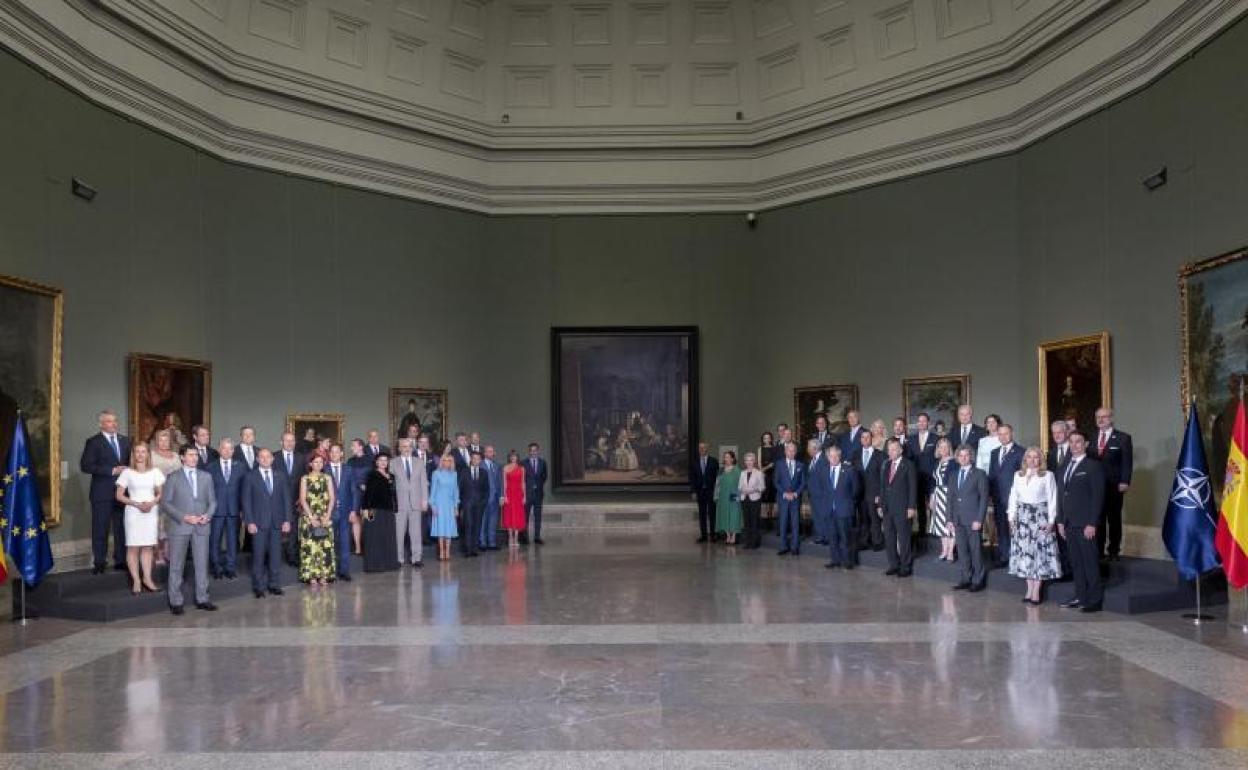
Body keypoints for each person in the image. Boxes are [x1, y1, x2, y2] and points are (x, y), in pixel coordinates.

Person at [161, 445, 217, 614]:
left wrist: (208, 515)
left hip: (202, 525)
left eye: (196, 455)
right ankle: (176, 601)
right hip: (180, 526)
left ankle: (203, 598)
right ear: (182, 457)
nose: (194, 458)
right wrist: (184, 517)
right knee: (177, 565)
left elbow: (213, 501)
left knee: (202, 564)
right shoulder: (173, 477)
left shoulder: (206, 477)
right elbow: (165, 503)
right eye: (191, 455)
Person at [1058, 431, 1105, 612]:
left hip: (1085, 524)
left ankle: (1094, 600)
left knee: (1090, 562)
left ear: (1085, 444)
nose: (1075, 445)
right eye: (1072, 442)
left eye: (1079, 442)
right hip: (1068, 523)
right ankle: (1080, 596)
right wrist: (1060, 521)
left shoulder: (1093, 466)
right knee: (1076, 563)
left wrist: (1092, 523)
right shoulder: (1064, 466)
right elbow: (1061, 496)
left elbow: (1097, 497)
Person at [80, 409, 132, 574]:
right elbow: (86, 466)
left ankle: (121, 560)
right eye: (109, 421)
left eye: (115, 420)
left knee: (121, 528)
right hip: (101, 493)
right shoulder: (93, 442)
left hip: (123, 493)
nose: (114, 424)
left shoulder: (126, 441)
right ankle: (100, 562)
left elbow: (132, 462)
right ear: (101, 424)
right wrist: (111, 470)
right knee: (100, 529)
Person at [1008, 446, 1061, 604]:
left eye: (1035, 457)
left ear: (1040, 459)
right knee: (1025, 554)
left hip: (1040, 517)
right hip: (1022, 518)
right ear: (1025, 459)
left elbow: (1053, 498)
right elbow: (1013, 496)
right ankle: (1029, 589)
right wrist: (1011, 517)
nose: (1032, 460)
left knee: (1038, 555)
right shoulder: (1018, 475)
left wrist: (1051, 520)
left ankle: (1036, 591)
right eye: (1029, 457)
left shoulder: (1047, 475)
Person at [114, 443, 164, 594]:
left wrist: (151, 503)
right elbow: (119, 495)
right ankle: (136, 580)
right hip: (133, 513)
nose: (141, 454)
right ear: (133, 454)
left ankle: (147, 579)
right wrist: (136, 503)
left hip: (150, 511)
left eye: (144, 452)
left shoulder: (155, 472)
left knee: (148, 546)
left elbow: (160, 494)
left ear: (148, 454)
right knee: (133, 547)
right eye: (138, 452)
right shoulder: (127, 473)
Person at [244, 449, 291, 598]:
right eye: (262, 457)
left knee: (276, 555)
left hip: (277, 522)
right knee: (258, 556)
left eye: (268, 457)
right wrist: (249, 521)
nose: (265, 459)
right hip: (258, 523)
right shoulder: (250, 477)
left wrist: (287, 520)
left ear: (272, 459)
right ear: (257, 459)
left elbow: (286, 499)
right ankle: (258, 587)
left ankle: (274, 585)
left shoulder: (280, 476)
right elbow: (246, 501)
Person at [1089, 407, 1133, 561]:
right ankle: (1099, 551)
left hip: (1114, 486)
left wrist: (1125, 481)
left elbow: (1127, 463)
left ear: (1111, 418)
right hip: (1096, 487)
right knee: (1098, 518)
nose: (1101, 420)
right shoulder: (1091, 438)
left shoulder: (1123, 438)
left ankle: (1114, 550)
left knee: (1114, 519)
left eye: (1104, 417)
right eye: (1098, 417)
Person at [947, 444, 990, 592]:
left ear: (971, 457)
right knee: (962, 551)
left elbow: (984, 498)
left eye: (966, 455)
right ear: (957, 458)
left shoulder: (979, 474)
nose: (964, 458)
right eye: (961, 455)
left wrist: (979, 519)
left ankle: (978, 580)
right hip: (957, 519)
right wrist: (949, 519)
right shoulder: (953, 475)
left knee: (975, 550)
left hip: (973, 520)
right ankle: (966, 578)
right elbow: (950, 499)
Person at [205, 438, 245, 580]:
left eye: (230, 448)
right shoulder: (210, 467)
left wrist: (243, 509)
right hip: (216, 510)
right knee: (214, 540)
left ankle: (230, 567)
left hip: (234, 510)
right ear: (219, 449)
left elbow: (243, 490)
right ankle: (216, 567)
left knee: (232, 541)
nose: (227, 451)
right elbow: (207, 491)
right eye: (224, 448)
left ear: (233, 451)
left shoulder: (240, 466)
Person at [988, 423, 1024, 568]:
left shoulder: (1021, 452)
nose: (1003, 436)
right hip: (997, 497)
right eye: (1000, 434)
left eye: (1006, 433)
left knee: (1015, 529)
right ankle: (1005, 556)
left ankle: (1018, 557)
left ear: (1012, 434)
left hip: (1014, 498)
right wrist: (990, 494)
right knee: (1001, 527)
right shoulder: (994, 452)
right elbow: (992, 475)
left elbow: (1023, 477)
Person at [879, 438, 917, 577]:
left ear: (901, 450)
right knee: (889, 537)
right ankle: (893, 564)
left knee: (904, 538)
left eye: (895, 449)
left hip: (903, 508)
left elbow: (913, 487)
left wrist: (911, 507)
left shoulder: (908, 465)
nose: (892, 452)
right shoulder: (886, 465)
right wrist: (881, 505)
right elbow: (882, 487)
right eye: (889, 449)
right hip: (887, 508)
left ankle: (905, 566)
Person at [298, 454, 337, 587]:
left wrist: (327, 515)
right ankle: (311, 576)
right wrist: (311, 517)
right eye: (316, 462)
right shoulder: (305, 478)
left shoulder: (327, 478)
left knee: (324, 547)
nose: (319, 464)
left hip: (325, 516)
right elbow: (302, 499)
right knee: (310, 548)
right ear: (310, 464)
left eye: (321, 462)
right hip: (309, 516)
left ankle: (324, 575)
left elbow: (332, 498)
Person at [821, 445, 859, 570]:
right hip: (829, 510)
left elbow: (856, 490)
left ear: (840, 456)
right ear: (827, 457)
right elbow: (823, 490)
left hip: (844, 509)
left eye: (836, 455)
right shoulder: (824, 470)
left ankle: (848, 561)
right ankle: (835, 560)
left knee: (845, 537)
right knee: (832, 537)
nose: (834, 458)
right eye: (831, 456)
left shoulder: (849, 470)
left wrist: (847, 501)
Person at [360, 453, 399, 572]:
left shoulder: (391, 476)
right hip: (373, 510)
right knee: (373, 537)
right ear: (376, 462)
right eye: (380, 460)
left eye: (385, 460)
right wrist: (365, 509)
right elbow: (368, 494)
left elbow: (393, 493)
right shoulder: (372, 474)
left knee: (387, 537)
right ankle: (374, 565)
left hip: (388, 511)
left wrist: (395, 507)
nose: (383, 462)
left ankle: (389, 564)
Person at [393, 438, 429, 568]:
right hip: (399, 503)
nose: (406, 449)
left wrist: (425, 500)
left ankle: (416, 558)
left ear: (412, 448)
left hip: (416, 502)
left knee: (416, 532)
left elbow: (424, 483)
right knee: (399, 532)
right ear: (399, 448)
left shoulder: (419, 462)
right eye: (403, 446)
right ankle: (399, 559)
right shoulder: (393, 463)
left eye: (409, 446)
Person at [148, 428, 181, 565]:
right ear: (156, 442)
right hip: (156, 495)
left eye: (166, 440)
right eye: (161, 440)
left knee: (171, 526)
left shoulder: (176, 455)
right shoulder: (151, 455)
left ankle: (168, 553)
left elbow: (181, 475)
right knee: (158, 526)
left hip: (174, 496)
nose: (164, 442)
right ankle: (158, 554)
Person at [326, 443, 357, 581]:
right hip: (329, 512)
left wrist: (353, 510)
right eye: (331, 452)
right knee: (329, 542)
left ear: (342, 454)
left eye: (337, 452)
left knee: (345, 542)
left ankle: (344, 571)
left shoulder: (349, 469)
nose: (334, 454)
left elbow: (354, 491)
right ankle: (330, 571)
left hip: (346, 512)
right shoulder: (324, 469)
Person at [907, 413, 939, 546]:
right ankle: (921, 531)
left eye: (924, 421)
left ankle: (934, 530)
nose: (921, 423)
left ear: (928, 423)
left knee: (933, 504)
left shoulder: (936, 438)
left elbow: (938, 457)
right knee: (920, 505)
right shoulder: (911, 439)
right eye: (919, 421)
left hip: (931, 476)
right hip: (917, 477)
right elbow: (908, 458)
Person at [275, 431, 306, 566]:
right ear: (281, 442)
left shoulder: (301, 458)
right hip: (276, 501)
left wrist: (301, 497)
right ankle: (273, 557)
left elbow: (304, 478)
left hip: (295, 500)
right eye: (287, 440)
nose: (289, 443)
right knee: (275, 530)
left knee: (293, 530)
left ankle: (292, 556)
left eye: (292, 440)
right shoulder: (273, 457)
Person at [852, 428, 884, 552]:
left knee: (875, 519)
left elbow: (883, 477)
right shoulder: (855, 455)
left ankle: (877, 542)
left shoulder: (880, 455)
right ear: (860, 440)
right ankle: (864, 541)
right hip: (860, 493)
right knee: (863, 518)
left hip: (874, 493)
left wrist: (880, 494)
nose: (865, 439)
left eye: (867, 437)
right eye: (863, 437)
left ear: (872, 439)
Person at [774, 441, 805, 556]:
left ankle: (795, 546)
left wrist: (796, 493)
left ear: (796, 452)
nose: (791, 453)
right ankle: (783, 546)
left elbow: (803, 483)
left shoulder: (800, 465)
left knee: (795, 523)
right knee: (783, 522)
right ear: (785, 451)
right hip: (783, 498)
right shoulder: (779, 464)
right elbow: (776, 482)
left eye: (793, 451)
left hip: (795, 499)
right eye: (789, 450)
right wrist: (785, 493)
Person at [928, 438, 956, 561]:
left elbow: (956, 482)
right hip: (938, 495)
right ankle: (944, 550)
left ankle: (951, 551)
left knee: (951, 524)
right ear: (938, 449)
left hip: (950, 495)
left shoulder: (954, 462)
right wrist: (932, 496)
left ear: (949, 448)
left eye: (945, 447)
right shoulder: (936, 462)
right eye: (941, 447)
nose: (943, 449)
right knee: (940, 524)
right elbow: (933, 482)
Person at [458, 450, 489, 558]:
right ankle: (467, 549)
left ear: (480, 460)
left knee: (477, 526)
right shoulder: (463, 471)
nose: (476, 460)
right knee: (468, 525)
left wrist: (484, 502)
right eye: (474, 458)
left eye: (478, 459)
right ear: (471, 459)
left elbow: (486, 490)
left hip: (479, 505)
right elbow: (459, 488)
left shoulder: (484, 472)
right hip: (467, 504)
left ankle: (474, 549)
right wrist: (461, 504)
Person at [430, 454, 460, 561]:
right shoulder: (436, 474)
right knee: (440, 528)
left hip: (450, 504)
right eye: (445, 460)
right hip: (439, 504)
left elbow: (456, 491)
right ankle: (441, 551)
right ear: (441, 462)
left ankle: (448, 550)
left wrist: (456, 506)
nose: (447, 462)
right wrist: (432, 505)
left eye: (449, 460)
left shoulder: (454, 474)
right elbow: (432, 491)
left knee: (449, 528)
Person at [690, 442, 720, 543]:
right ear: (698, 449)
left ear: (707, 449)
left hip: (711, 491)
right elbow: (692, 478)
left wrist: (717, 491)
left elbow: (717, 478)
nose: (702, 449)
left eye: (704, 448)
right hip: (699, 492)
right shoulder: (694, 462)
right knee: (702, 514)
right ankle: (703, 536)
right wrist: (693, 491)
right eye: (700, 448)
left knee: (712, 514)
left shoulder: (714, 461)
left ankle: (713, 535)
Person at [345, 439, 370, 555]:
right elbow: (347, 478)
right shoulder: (350, 461)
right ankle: (358, 548)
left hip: (368, 494)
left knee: (369, 520)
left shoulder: (371, 459)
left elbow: (375, 476)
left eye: (353, 445)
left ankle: (369, 547)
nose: (351, 448)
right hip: (354, 494)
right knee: (355, 520)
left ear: (361, 447)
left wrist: (367, 486)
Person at [738, 452, 766, 550]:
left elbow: (762, 487)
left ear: (754, 461)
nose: (749, 462)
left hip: (755, 499)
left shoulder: (759, 473)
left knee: (754, 521)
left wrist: (753, 489)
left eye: (751, 460)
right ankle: (747, 542)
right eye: (747, 460)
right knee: (747, 522)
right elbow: (739, 486)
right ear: (745, 462)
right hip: (744, 499)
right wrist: (743, 490)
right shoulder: (742, 473)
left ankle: (755, 542)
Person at [805, 438, 829, 545]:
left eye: (808, 447)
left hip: (822, 495)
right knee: (816, 516)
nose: (807, 450)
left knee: (823, 516)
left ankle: (826, 537)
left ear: (815, 448)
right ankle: (820, 536)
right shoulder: (812, 460)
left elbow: (826, 478)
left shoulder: (824, 460)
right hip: (813, 495)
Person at [714, 451, 742, 544]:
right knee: (724, 515)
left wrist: (739, 497)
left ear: (733, 459)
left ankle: (734, 535)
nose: (726, 459)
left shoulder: (737, 470)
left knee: (734, 515)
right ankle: (727, 535)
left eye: (728, 457)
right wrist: (716, 496)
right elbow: (717, 484)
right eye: (725, 457)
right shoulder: (721, 470)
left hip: (734, 495)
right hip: (723, 496)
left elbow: (740, 485)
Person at [501, 450, 526, 548]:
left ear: (517, 457)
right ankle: (510, 538)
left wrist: (524, 496)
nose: (513, 458)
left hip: (518, 494)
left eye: (515, 456)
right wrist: (505, 496)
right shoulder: (505, 468)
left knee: (518, 515)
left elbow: (523, 482)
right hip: (509, 494)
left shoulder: (522, 468)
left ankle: (516, 538)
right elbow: (504, 483)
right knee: (509, 515)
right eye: (511, 456)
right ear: (509, 458)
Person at [523, 443, 547, 545]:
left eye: (535, 450)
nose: (533, 452)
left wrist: (538, 485)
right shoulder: (523, 463)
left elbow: (544, 476)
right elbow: (522, 479)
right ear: (529, 451)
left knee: (538, 516)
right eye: (531, 450)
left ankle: (537, 537)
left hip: (538, 494)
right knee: (525, 517)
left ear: (538, 451)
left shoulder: (543, 462)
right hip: (527, 495)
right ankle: (525, 538)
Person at [480, 446, 503, 551]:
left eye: (492, 452)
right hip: (484, 498)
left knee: (493, 521)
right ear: (484, 453)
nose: (491, 453)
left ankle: (492, 543)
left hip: (495, 498)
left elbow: (500, 482)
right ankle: (482, 542)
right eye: (489, 451)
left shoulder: (497, 465)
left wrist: (501, 496)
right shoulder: (480, 465)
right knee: (483, 521)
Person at [758, 431, 777, 525]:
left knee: (772, 495)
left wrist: (768, 467)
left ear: (771, 438)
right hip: (764, 474)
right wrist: (764, 469)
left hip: (773, 474)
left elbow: (774, 463)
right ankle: (765, 517)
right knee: (764, 494)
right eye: (765, 438)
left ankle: (771, 515)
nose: (766, 439)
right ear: (763, 439)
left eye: (768, 438)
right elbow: (759, 463)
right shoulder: (760, 448)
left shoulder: (774, 448)